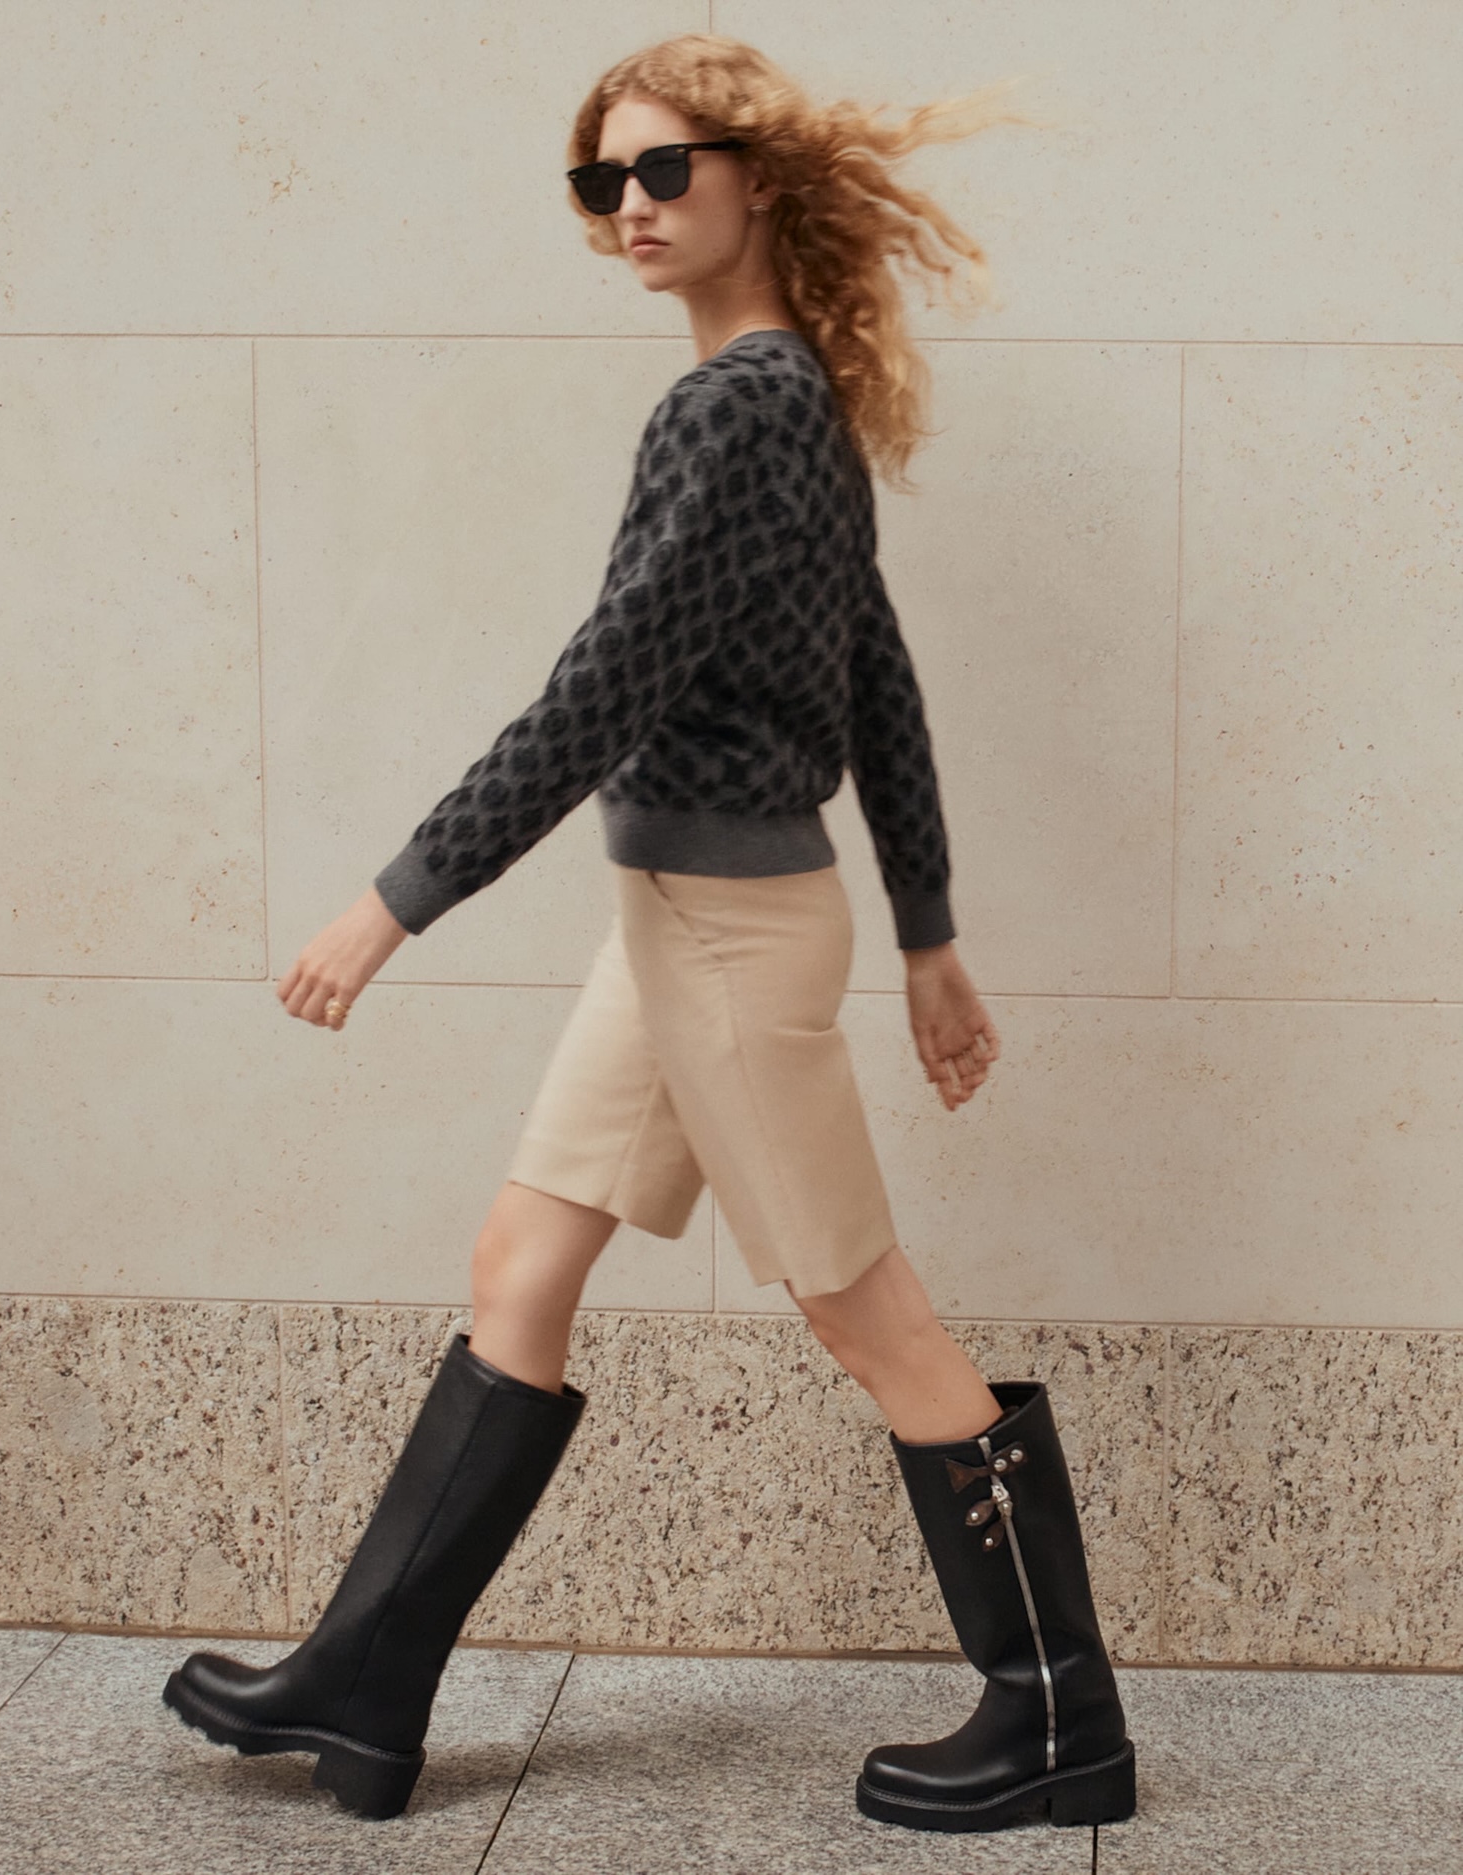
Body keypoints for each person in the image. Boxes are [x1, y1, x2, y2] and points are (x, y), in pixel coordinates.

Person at [162, 32, 1135, 1836]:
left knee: (864, 1310)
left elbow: (602, 689)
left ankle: (1061, 1716)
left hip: (728, 939)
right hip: (686, 922)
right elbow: (881, 677)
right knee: (522, 1260)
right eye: (600, 179)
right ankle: (366, 1686)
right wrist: (928, 935)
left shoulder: (737, 408)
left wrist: (392, 905)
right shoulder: (789, 401)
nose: (629, 204)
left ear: (760, 179)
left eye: (665, 168)